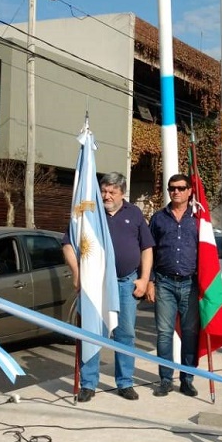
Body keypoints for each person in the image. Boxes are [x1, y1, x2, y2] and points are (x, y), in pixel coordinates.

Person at [62, 172, 154, 403]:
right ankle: (88, 384)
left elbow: (147, 248)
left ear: (123, 193)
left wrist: (144, 279)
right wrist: (77, 273)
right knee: (91, 334)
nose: (107, 195)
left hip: (126, 283)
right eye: (103, 190)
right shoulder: (88, 213)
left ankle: (125, 383)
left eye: (112, 191)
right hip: (95, 285)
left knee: (125, 335)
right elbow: (68, 245)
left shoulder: (133, 213)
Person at [145, 173, 200, 397]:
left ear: (189, 191)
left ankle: (187, 379)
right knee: (164, 334)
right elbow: (149, 251)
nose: (175, 192)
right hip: (164, 283)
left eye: (180, 188)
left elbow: (208, 253)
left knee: (189, 334)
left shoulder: (198, 220)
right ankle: (165, 380)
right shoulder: (158, 219)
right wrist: (149, 281)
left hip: (191, 284)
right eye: (171, 188)